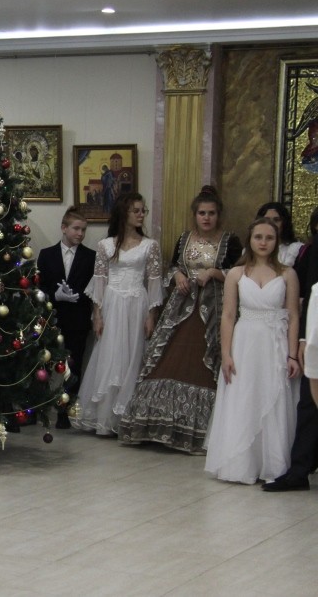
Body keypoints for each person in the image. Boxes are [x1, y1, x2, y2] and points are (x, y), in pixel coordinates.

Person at [119, 187, 242, 452]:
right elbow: (174, 265)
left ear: (218, 215)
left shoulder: (230, 241)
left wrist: (214, 273)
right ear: (194, 215)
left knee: (202, 362)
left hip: (213, 308)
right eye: (202, 213)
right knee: (164, 358)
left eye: (211, 213)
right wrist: (177, 276)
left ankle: (200, 432)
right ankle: (155, 425)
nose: (206, 218)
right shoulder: (185, 238)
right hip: (181, 306)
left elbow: (239, 272)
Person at [205, 218, 300, 484]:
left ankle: (273, 464)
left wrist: (292, 354)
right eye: (258, 237)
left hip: (275, 343)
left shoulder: (288, 274)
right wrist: (226, 354)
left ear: (276, 241)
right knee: (244, 395)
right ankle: (241, 463)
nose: (263, 242)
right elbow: (227, 315)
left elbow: (293, 315)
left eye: (269, 238)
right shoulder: (236, 274)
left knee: (273, 397)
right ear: (250, 240)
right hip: (245, 342)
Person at [71, 193, 163, 435]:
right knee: (110, 354)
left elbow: (154, 282)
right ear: (124, 213)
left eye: (143, 211)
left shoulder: (150, 246)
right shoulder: (106, 245)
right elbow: (100, 281)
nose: (141, 215)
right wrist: (97, 315)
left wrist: (152, 314)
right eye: (136, 211)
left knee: (134, 353)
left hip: (137, 303)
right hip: (112, 304)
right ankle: (106, 417)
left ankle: (129, 417)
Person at [264, 205, 318, 491]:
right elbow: (307, 298)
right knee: (309, 404)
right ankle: (299, 471)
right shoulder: (312, 253)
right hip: (315, 336)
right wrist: (302, 341)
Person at [36, 206, 95, 429]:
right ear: (64, 228)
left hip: (78, 320)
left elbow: (93, 288)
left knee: (73, 365)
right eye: (76, 228)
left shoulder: (90, 257)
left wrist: (77, 296)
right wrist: (55, 295)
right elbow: (40, 287)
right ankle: (38, 408)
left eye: (83, 230)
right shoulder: (46, 254)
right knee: (44, 363)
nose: (80, 233)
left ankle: (65, 411)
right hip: (52, 319)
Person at [256, 202, 303, 267]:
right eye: (267, 220)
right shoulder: (251, 249)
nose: (271, 224)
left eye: (276, 220)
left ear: (284, 223)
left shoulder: (296, 249)